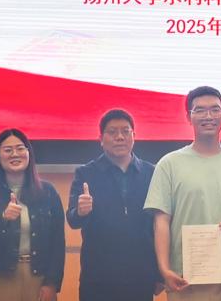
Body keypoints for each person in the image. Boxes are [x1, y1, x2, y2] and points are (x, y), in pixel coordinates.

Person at [144, 86, 221, 301]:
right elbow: (161, 222)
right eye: (200, 110)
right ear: (189, 116)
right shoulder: (169, 164)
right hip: (183, 278)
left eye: (215, 109)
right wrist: (165, 270)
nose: (208, 116)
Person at [67, 108, 162, 301]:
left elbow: (159, 225)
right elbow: (73, 220)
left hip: (140, 276)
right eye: (112, 132)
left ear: (134, 136)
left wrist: (159, 273)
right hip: (98, 278)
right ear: (101, 139)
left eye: (125, 131)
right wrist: (81, 212)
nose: (120, 137)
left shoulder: (151, 173)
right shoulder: (86, 173)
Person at [0, 129, 65, 301]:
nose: (15, 154)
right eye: (8, 150)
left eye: (20, 148)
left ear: (28, 152)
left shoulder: (48, 191)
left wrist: (52, 283)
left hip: (40, 276)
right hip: (3, 278)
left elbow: (57, 242)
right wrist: (4, 219)